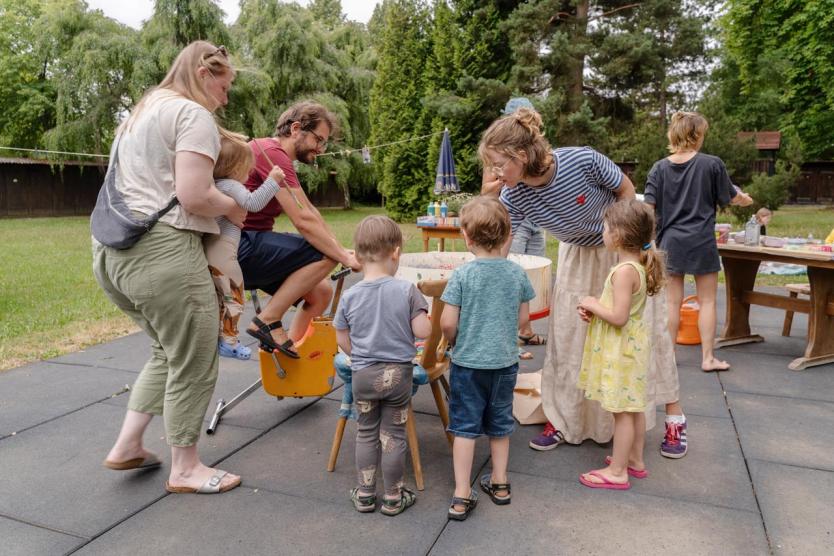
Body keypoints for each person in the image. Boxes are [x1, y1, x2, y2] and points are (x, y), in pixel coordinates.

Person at [478, 107, 687, 459]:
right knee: (569, 336)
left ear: (523, 155)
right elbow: (500, 240)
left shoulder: (581, 160)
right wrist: (488, 202)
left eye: (500, 164)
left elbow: (627, 192)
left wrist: (628, 248)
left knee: (643, 335)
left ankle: (674, 418)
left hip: (620, 249)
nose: (496, 172)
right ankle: (565, 419)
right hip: (577, 254)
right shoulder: (513, 195)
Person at [95, 41, 243, 493]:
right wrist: (235, 208)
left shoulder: (138, 113)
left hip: (110, 253)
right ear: (203, 71)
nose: (226, 95)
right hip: (162, 252)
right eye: (224, 82)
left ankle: (127, 446)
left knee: (167, 351)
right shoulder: (192, 114)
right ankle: (186, 468)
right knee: (196, 356)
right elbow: (195, 195)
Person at [239, 101, 361, 359]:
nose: (320, 148)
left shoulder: (279, 157)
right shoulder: (269, 152)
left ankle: (284, 349)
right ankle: (267, 321)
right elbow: (301, 221)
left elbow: (310, 211)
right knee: (323, 254)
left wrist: (340, 249)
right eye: (318, 139)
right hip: (240, 246)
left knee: (321, 293)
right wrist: (339, 255)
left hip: (252, 244)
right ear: (296, 129)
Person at [440, 196, 536, 521]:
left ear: (467, 237)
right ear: (507, 234)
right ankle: (500, 483)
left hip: (467, 365)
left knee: (465, 428)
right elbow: (524, 322)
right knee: (500, 425)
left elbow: (448, 322)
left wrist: (453, 342)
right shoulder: (517, 274)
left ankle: (461, 494)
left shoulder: (462, 275)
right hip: (505, 364)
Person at [333, 216, 431, 516]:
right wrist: (424, 310)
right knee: (393, 436)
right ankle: (392, 496)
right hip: (398, 377)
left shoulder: (349, 296)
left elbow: (342, 339)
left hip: (363, 375)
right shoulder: (407, 291)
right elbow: (423, 332)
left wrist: (361, 353)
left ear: (358, 256)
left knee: (365, 432)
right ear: (396, 253)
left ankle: (364, 494)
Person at [644, 112, 754, 374]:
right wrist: (745, 199)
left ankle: (668, 357)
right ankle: (707, 358)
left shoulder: (658, 168)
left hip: (669, 242)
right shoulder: (712, 164)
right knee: (707, 301)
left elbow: (648, 208)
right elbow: (730, 196)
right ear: (696, 135)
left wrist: (648, 244)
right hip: (702, 241)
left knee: (671, 303)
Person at [576, 199, 666, 489]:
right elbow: (617, 311)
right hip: (631, 347)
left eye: (604, 227)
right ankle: (635, 460)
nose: (601, 232)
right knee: (633, 407)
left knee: (622, 412)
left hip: (622, 350)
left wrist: (590, 302)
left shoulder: (623, 271)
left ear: (618, 235)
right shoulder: (636, 266)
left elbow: (618, 316)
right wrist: (596, 311)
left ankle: (617, 472)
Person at [204, 128, 285, 360]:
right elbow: (254, 203)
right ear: (235, 168)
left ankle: (221, 337)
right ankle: (229, 341)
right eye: (248, 167)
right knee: (235, 297)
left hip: (212, 252)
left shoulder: (215, 185)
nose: (250, 172)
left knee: (222, 297)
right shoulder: (230, 185)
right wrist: (273, 181)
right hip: (224, 254)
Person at [482, 97, 546, 350]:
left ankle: (525, 330)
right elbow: (486, 191)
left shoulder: (529, 150)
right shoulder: (497, 153)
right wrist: (505, 177)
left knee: (530, 277)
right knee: (511, 275)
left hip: (535, 222)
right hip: (513, 221)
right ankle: (510, 340)